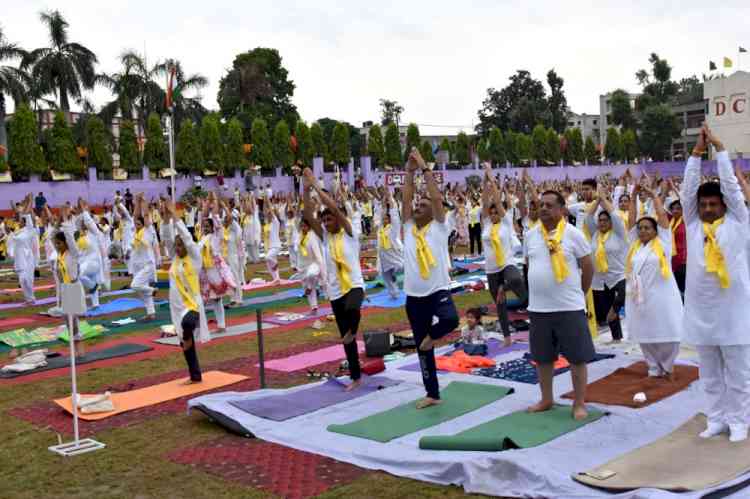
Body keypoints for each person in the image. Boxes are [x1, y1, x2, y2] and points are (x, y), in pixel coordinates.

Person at [680, 125, 750, 442]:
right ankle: (717, 417)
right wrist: (696, 153)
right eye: (704, 204)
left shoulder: (738, 221)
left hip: (734, 310)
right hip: (700, 311)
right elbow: (687, 191)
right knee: (708, 371)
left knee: (738, 372)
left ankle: (739, 420)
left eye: (713, 204)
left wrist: (720, 151)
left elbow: (734, 190)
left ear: (723, 206)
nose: (708, 209)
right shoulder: (693, 225)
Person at [525, 189, 595, 420]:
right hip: (539, 308)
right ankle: (546, 399)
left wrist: (579, 294)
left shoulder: (574, 234)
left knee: (577, 357)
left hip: (569, 307)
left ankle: (579, 403)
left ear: (562, 209)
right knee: (543, 358)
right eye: (541, 205)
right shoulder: (531, 235)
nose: (543, 209)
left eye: (549, 205)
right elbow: (529, 266)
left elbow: (588, 267)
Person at [402, 148, 460, 409]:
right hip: (414, 297)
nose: (417, 207)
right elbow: (406, 199)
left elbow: (436, 198)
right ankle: (432, 393)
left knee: (450, 320)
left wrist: (424, 167)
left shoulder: (438, 226)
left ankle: (431, 336)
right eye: (418, 204)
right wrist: (409, 172)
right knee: (423, 351)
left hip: (437, 290)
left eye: (422, 206)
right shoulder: (408, 229)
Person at [303, 167, 365, 391]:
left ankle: (351, 332)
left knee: (352, 310)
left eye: (330, 218)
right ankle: (356, 377)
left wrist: (316, 185)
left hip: (354, 285)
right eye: (325, 220)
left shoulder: (349, 232)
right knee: (346, 341)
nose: (327, 222)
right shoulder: (325, 238)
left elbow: (332, 208)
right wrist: (306, 186)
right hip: (336, 290)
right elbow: (309, 215)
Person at [624, 184, 683, 378]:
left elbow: (663, 218)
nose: (642, 231)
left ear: (656, 230)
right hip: (639, 295)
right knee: (644, 332)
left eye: (647, 228)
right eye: (640, 228)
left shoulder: (664, 242)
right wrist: (632, 197)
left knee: (668, 330)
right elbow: (631, 222)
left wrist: (654, 196)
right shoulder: (635, 245)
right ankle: (653, 366)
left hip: (662, 294)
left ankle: (668, 366)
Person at [480, 163, 526, 346]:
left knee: (517, 282)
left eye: (495, 212)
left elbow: (498, 202)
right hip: (491, 269)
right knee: (500, 306)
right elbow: (485, 201)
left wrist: (492, 178)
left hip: (507, 263)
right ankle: (507, 337)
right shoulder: (486, 224)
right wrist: (485, 180)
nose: (493, 215)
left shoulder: (506, 222)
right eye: (490, 213)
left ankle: (504, 288)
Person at [165, 201, 209, 383]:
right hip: (176, 308)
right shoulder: (174, 259)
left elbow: (187, 238)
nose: (178, 249)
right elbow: (167, 237)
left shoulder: (195, 257)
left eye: (180, 246)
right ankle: (195, 375)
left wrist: (175, 216)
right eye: (176, 246)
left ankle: (187, 335)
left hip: (191, 305)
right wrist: (166, 218)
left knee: (187, 325)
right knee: (185, 344)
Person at [586, 183, 628, 342]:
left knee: (620, 299)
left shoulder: (618, 233)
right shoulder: (595, 234)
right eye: (600, 220)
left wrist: (604, 199)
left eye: (605, 220)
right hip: (600, 279)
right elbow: (589, 217)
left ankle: (615, 312)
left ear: (610, 223)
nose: (602, 223)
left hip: (618, 275)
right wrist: (597, 200)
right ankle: (616, 338)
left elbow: (616, 216)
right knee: (606, 310)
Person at [7, 194, 39, 305]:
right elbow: (18, 214)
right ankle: (29, 299)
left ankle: (31, 298)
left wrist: (30, 201)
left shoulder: (29, 230)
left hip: (28, 258)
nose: (19, 221)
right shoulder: (18, 231)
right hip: (19, 258)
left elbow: (27, 214)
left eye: (22, 220)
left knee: (27, 279)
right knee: (22, 280)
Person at [376, 187, 404, 300]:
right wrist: (384, 199)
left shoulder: (393, 228)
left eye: (388, 219)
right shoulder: (380, 229)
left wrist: (390, 198)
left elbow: (394, 214)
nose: (385, 220)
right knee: (385, 275)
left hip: (395, 255)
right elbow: (382, 211)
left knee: (401, 268)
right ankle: (394, 293)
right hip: (384, 257)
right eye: (384, 219)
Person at [668, 198, 687, 296]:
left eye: (678, 208)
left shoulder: (686, 221)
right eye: (673, 209)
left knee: (683, 287)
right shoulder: (669, 221)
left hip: (683, 260)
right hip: (672, 259)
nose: (675, 210)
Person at [262, 193, 282, 284]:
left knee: (268, 257)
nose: (268, 215)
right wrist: (264, 202)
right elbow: (265, 211)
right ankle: (276, 278)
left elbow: (270, 209)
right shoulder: (268, 224)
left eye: (270, 214)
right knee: (269, 264)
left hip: (276, 246)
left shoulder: (276, 222)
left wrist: (267, 200)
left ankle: (276, 264)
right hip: (269, 246)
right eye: (268, 215)